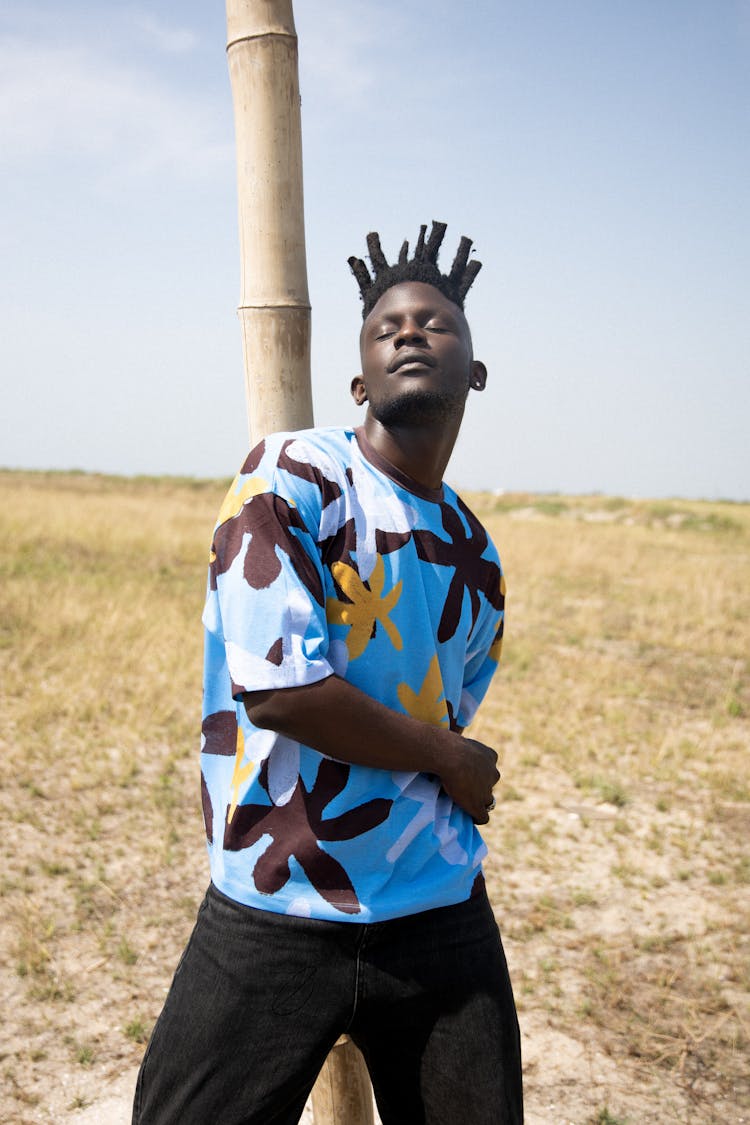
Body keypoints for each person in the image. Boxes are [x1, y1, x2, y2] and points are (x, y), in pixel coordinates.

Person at [132, 221, 523, 1125]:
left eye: (436, 323)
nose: (411, 332)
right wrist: (450, 760)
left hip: (435, 904)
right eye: (387, 327)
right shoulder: (296, 474)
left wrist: (441, 755)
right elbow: (280, 688)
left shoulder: (477, 556)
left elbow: (444, 706)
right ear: (359, 382)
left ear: (475, 373)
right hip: (277, 897)